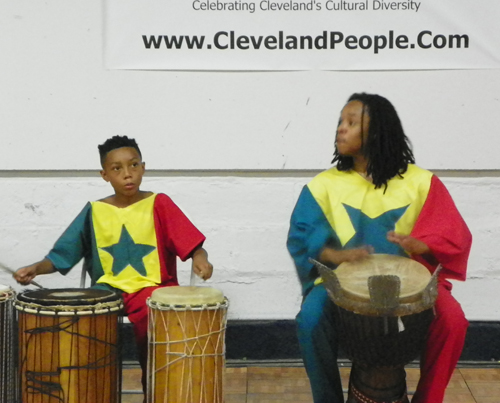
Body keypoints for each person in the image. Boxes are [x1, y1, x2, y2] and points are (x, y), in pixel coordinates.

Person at [286, 93, 472, 403]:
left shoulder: (422, 183)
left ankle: (428, 398)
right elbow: (302, 239)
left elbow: (453, 236)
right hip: (341, 284)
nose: (340, 129)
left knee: (453, 321)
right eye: (340, 122)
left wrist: (422, 244)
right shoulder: (323, 187)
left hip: (415, 283)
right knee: (310, 320)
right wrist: (335, 254)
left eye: (351, 122)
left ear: (377, 131)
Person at [14, 135, 214, 393]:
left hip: (151, 289)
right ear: (104, 174)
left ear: (143, 167)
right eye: (117, 169)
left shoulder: (159, 203)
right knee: (82, 324)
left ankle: (155, 391)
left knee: (154, 330)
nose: (127, 174)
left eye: (133, 166)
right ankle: (90, 391)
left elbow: (193, 245)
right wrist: (36, 268)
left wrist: (201, 259)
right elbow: (63, 253)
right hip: (107, 290)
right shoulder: (95, 210)